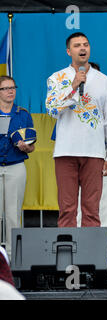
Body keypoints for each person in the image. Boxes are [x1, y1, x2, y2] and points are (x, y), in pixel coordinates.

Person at [45, 32, 107, 228]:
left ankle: (91, 257)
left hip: (94, 152)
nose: (82, 48)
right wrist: (73, 86)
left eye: (85, 44)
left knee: (92, 209)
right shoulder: (57, 78)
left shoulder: (105, 81)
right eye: (77, 45)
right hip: (65, 151)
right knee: (67, 208)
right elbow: (52, 109)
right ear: (69, 51)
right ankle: (66, 257)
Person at [0, 76, 35, 257]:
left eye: (13, 87)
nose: (10, 91)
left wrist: (26, 147)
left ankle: (14, 255)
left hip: (15, 165)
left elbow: (33, 146)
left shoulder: (23, 114)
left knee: (13, 213)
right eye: (5, 88)